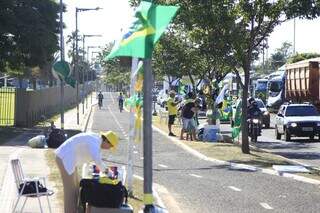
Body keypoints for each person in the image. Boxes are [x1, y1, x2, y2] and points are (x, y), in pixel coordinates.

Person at [54, 131, 118, 213]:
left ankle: (76, 210)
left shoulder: (96, 140)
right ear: (106, 141)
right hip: (65, 158)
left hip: (70, 160)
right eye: (110, 146)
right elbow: (98, 161)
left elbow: (95, 158)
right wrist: (110, 173)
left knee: (76, 188)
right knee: (70, 191)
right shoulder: (95, 142)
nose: (109, 148)